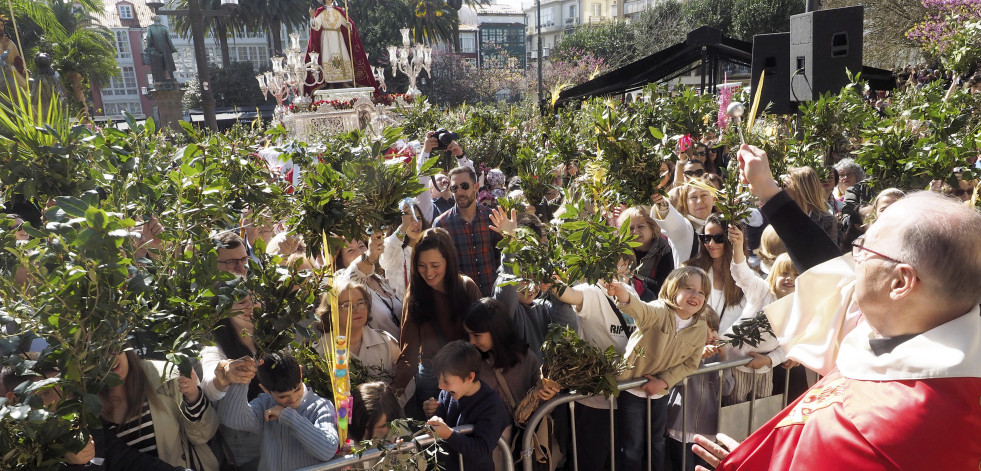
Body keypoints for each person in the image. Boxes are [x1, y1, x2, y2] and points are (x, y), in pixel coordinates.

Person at [692, 144, 981, 470]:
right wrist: (768, 191)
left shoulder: (888, 434)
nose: (853, 257)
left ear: (900, 283)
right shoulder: (912, 328)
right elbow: (829, 274)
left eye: (864, 247)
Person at [606, 267, 711, 471]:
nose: (694, 295)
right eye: (689, 288)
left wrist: (663, 382)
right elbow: (641, 310)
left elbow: (690, 363)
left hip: (660, 392)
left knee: (657, 442)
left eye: (701, 292)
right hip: (631, 388)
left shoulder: (700, 326)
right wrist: (624, 295)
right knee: (632, 446)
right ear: (673, 288)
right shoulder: (660, 309)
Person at [393, 228, 481, 417]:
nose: (428, 272)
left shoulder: (467, 288)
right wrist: (393, 394)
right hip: (432, 377)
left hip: (466, 373)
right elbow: (408, 351)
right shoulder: (414, 294)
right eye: (421, 265)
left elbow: (482, 339)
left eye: (435, 265)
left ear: (448, 262)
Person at [463, 298, 550, 471]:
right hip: (487, 450)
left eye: (477, 335)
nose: (472, 341)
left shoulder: (527, 359)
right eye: (469, 335)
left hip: (521, 448)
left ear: (496, 331)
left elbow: (542, 405)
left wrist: (547, 395)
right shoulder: (470, 361)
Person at [99, 349, 219, 471]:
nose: (109, 358)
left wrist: (193, 395)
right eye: (96, 353)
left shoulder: (166, 376)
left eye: (112, 348)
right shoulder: (85, 408)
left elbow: (203, 435)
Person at [219, 352, 339, 471]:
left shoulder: (321, 406)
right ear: (265, 389)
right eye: (282, 396)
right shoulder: (265, 404)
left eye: (297, 389)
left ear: (301, 372)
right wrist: (242, 379)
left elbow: (327, 450)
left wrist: (288, 417)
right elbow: (232, 419)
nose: (292, 398)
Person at [487, 208, 578, 359]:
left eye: (535, 276)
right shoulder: (505, 305)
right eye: (523, 276)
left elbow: (566, 335)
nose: (530, 285)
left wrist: (559, 291)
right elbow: (509, 284)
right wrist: (510, 243)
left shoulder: (544, 308)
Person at [314, 279, 413, 405]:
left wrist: (389, 407)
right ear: (332, 312)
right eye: (347, 305)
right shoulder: (319, 353)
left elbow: (406, 383)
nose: (356, 310)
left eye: (361, 303)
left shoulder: (386, 342)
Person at [724, 227, 792, 403]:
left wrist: (769, 360)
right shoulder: (762, 291)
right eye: (784, 273)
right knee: (735, 408)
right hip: (737, 363)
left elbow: (791, 344)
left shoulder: (798, 307)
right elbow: (743, 276)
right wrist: (738, 247)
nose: (789, 279)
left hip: (764, 367)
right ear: (774, 274)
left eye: (796, 275)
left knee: (762, 410)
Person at [664, 307, 733, 471]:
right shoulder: (682, 351)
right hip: (680, 425)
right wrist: (697, 357)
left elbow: (727, 389)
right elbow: (675, 380)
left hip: (707, 428)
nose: (710, 336)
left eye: (714, 330)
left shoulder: (718, 354)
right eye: (704, 330)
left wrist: (724, 358)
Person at [200, 293, 261, 470]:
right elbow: (209, 387)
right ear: (224, 310)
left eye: (255, 299)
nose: (250, 305)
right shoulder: (214, 347)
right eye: (242, 302)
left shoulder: (274, 334)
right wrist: (224, 377)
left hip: (279, 424)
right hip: (244, 442)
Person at [425, 341, 509, 471]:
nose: (440, 386)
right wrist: (434, 419)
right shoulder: (446, 394)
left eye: (446, 381)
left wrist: (450, 435)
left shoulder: (491, 407)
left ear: (470, 377)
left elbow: (481, 450)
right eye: (439, 379)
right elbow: (439, 418)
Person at [433, 166, 503, 297]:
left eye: (464, 186)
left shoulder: (492, 217)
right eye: (454, 188)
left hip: (492, 299)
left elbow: (501, 257)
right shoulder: (441, 224)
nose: (459, 192)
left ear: (476, 187)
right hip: (461, 302)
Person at [683, 214, 747, 335]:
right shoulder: (690, 271)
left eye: (719, 238)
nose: (711, 243)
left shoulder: (748, 278)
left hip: (730, 349)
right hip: (695, 343)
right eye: (706, 238)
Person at [339, 231, 402, 338]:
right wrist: (370, 256)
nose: (359, 253)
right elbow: (355, 272)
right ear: (341, 261)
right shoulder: (344, 281)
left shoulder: (379, 279)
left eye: (361, 246)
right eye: (350, 250)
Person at [618, 206, 674, 301]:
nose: (635, 231)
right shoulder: (622, 251)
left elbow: (663, 286)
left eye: (641, 226)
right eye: (631, 228)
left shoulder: (666, 250)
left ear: (652, 227)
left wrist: (631, 276)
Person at [379, 200, 429, 300]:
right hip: (400, 311)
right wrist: (403, 227)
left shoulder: (428, 247)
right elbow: (385, 260)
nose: (416, 223)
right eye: (410, 219)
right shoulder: (392, 246)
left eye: (418, 218)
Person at [782, 167, 838, 244]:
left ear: (801, 189)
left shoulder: (827, 221)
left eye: (785, 186)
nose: (782, 190)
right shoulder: (782, 215)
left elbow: (831, 254)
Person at [143, 16, 177, 86]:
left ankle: (159, 78)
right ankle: (172, 77)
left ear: (153, 20)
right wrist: (172, 48)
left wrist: (149, 45)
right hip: (165, 47)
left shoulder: (150, 28)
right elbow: (169, 39)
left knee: (158, 63)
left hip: (156, 47)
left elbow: (148, 37)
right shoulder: (164, 28)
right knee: (168, 62)